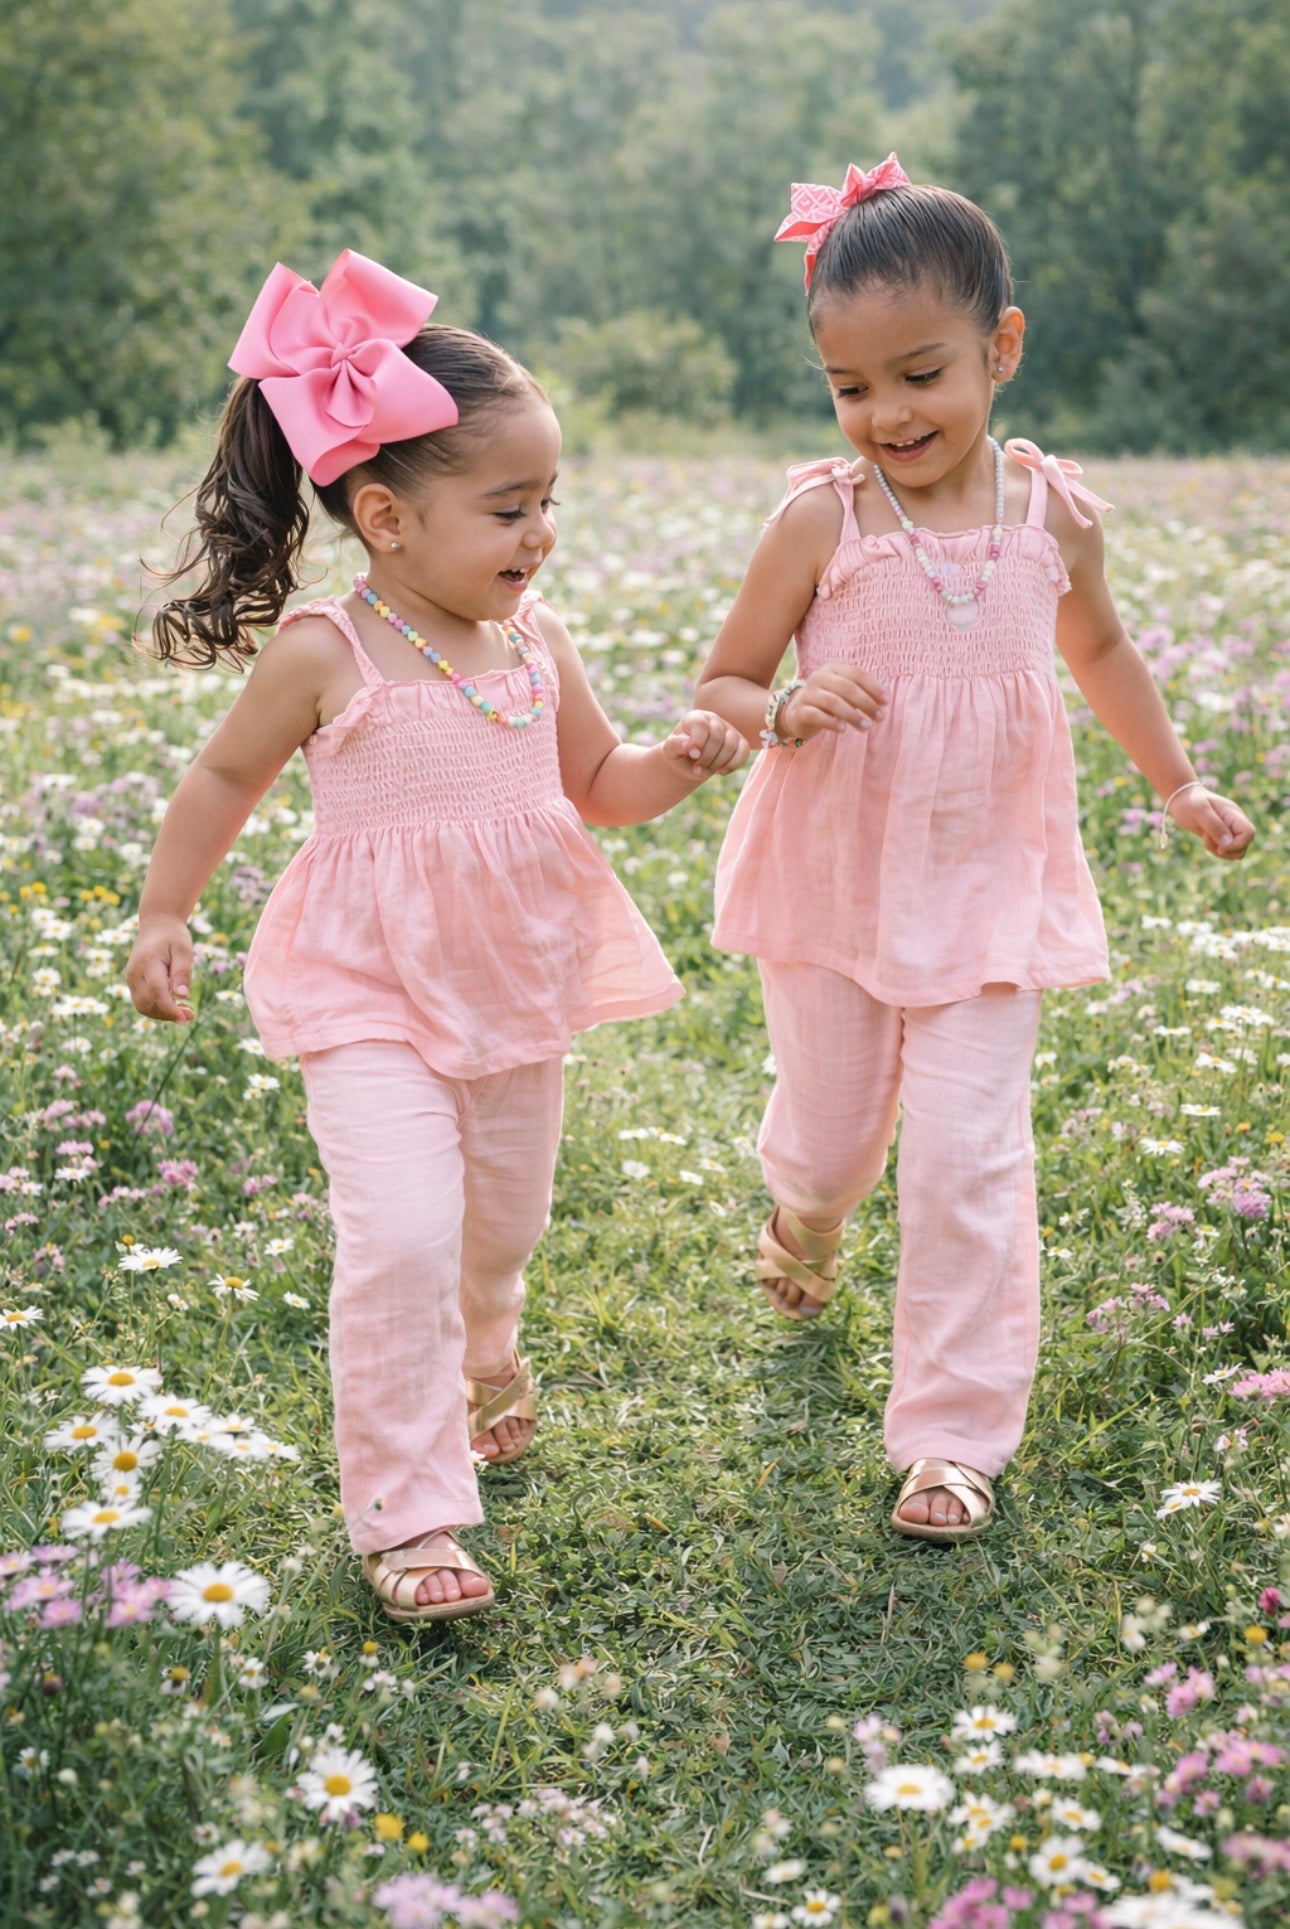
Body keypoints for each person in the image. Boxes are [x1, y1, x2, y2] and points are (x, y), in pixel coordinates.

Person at [126, 250, 746, 1620]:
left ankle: (487, 1350)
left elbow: (603, 789)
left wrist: (686, 760)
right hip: (365, 991)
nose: (538, 536)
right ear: (388, 517)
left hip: (513, 985)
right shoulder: (323, 651)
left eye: (550, 506)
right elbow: (224, 779)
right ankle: (407, 1513)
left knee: (497, 1226)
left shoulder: (538, 646)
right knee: (401, 1230)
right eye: (509, 508)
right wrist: (168, 908)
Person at [695, 156, 1255, 1544]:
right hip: (835, 886)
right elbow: (720, 682)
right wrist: (777, 707)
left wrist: (1174, 777)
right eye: (851, 387)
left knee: (964, 1156)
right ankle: (806, 1217)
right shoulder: (821, 517)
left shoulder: (1049, 513)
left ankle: (949, 1437)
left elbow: (1101, 647)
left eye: (919, 373)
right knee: (830, 1144)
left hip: (989, 886)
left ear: (999, 349)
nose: (885, 412)